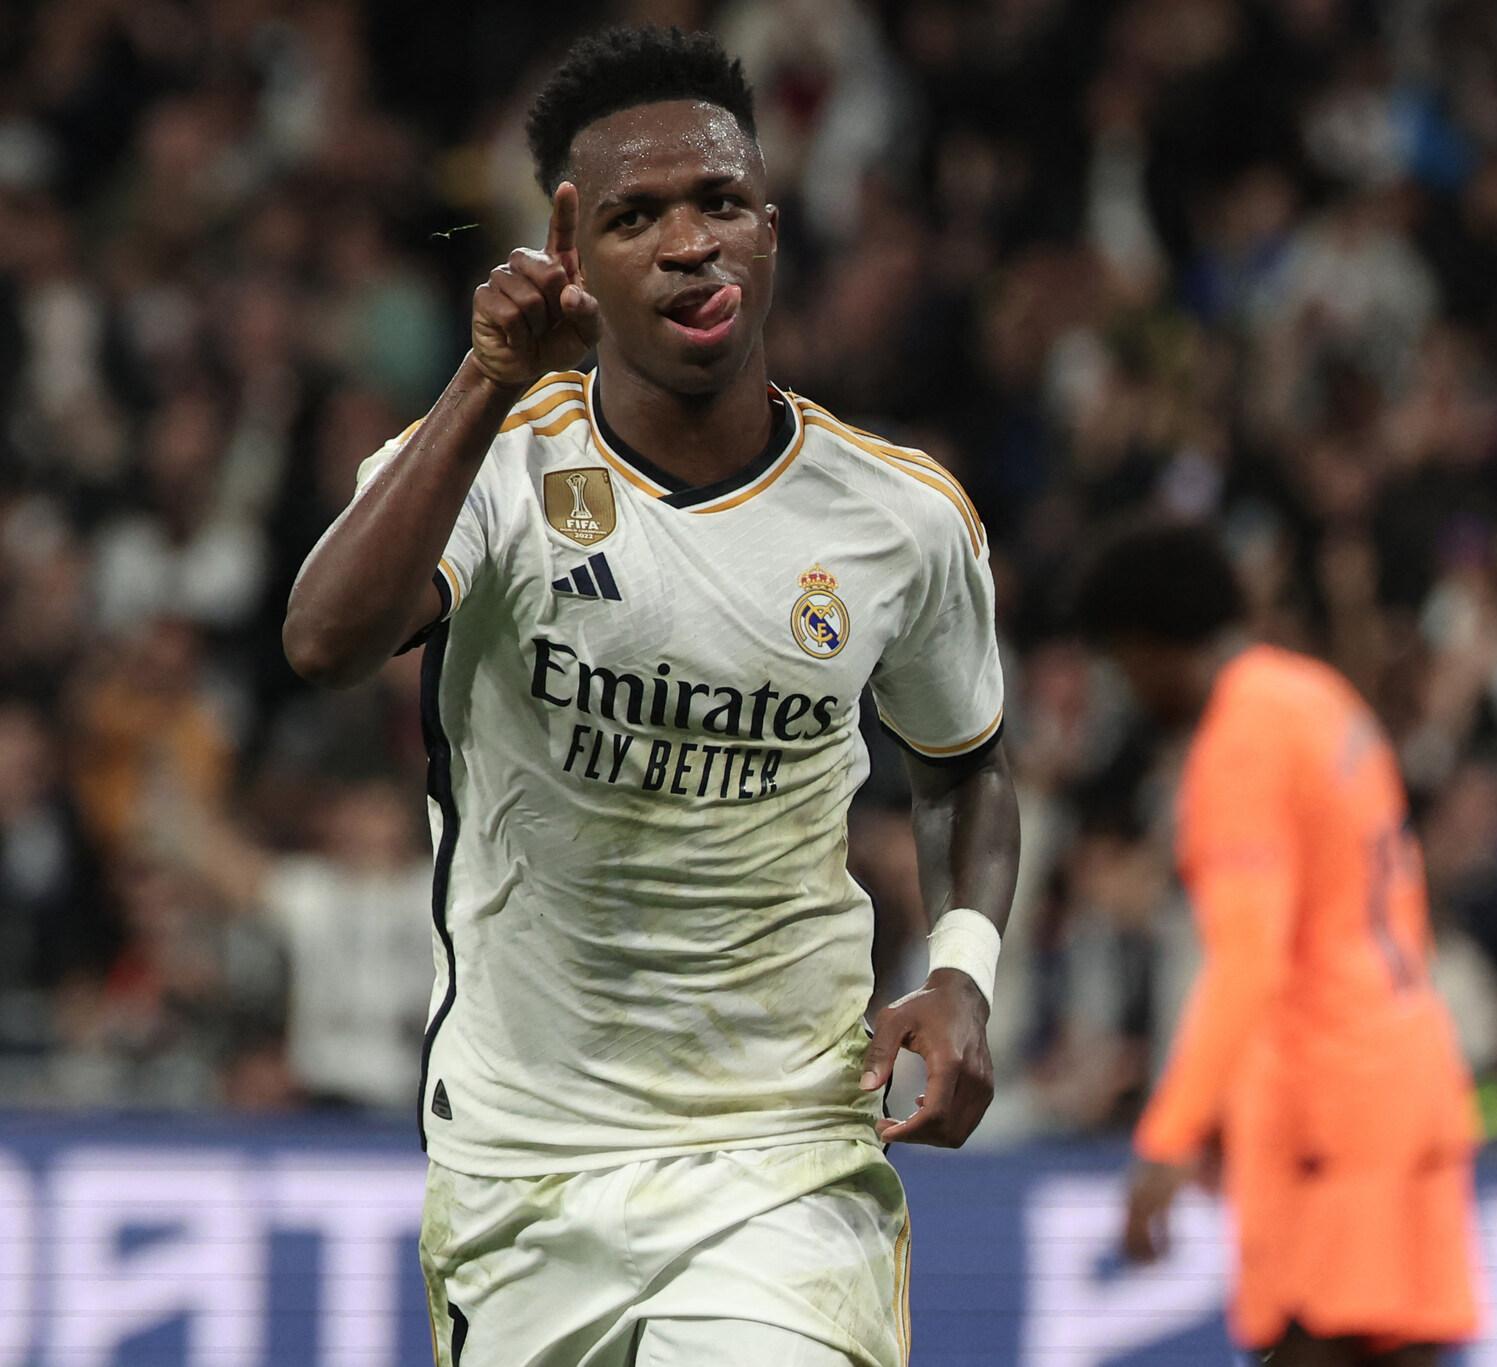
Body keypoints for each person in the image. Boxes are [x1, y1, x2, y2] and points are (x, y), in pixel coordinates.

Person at [283, 28, 1019, 1367]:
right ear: (571, 253)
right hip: (523, 1157)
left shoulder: (900, 519)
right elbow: (326, 640)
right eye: (637, 217)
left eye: (721, 203)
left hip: (782, 1150)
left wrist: (962, 968)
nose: (689, 243)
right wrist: (486, 377)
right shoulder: (491, 466)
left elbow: (964, 759)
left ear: (771, 233)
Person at [1074, 521, 1482, 1367]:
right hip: (1410, 1085)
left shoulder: (1239, 744)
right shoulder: (1317, 697)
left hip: (1328, 1121)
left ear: (1148, 645)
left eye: (1120, 659)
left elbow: (1248, 961)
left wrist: (1170, 1135)